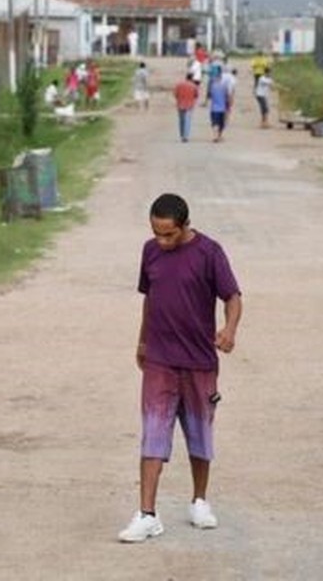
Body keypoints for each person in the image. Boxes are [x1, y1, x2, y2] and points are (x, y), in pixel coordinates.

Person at [119, 193, 243, 544]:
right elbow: (150, 297)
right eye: (156, 233)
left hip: (199, 360)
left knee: (199, 431)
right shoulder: (150, 251)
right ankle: (147, 515)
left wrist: (229, 330)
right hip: (159, 359)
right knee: (153, 431)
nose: (162, 241)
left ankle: (199, 501)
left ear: (185, 226)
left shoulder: (209, 253)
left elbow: (233, 296)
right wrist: (142, 341)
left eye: (168, 234)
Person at [205, 66, 232, 143]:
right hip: (222, 109)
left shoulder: (212, 86)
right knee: (221, 124)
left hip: (214, 109)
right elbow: (228, 97)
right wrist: (229, 106)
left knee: (214, 123)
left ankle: (215, 136)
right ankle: (219, 135)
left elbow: (209, 96)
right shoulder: (224, 86)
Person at [172, 74, 198, 142]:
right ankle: (186, 136)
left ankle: (182, 135)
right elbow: (196, 95)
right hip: (189, 105)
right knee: (187, 121)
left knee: (181, 121)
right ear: (192, 78)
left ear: (186, 78)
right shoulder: (194, 86)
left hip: (180, 104)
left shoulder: (179, 85)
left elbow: (175, 94)